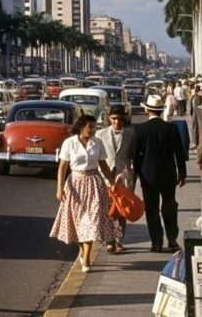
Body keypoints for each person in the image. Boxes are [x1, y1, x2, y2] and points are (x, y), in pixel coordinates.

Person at [50, 115, 118, 272]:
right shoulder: (69, 143)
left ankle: (86, 258)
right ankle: (82, 250)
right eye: (90, 127)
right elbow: (62, 167)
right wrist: (59, 188)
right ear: (81, 127)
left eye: (94, 127)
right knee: (79, 222)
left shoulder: (97, 142)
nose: (93, 130)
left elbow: (104, 165)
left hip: (94, 183)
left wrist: (112, 182)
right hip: (75, 184)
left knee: (92, 221)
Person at [131, 94, 187, 253]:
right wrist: (182, 174)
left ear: (147, 110)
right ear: (161, 110)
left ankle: (156, 242)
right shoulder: (171, 128)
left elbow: (135, 155)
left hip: (148, 176)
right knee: (169, 206)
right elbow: (179, 153)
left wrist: (138, 173)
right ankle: (172, 239)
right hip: (169, 174)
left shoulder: (140, 129)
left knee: (152, 209)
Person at [95, 104, 134, 252]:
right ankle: (109, 241)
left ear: (125, 119)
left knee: (121, 209)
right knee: (107, 209)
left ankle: (119, 241)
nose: (117, 122)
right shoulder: (100, 134)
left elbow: (134, 156)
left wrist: (129, 174)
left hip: (123, 176)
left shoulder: (131, 134)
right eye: (114, 119)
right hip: (105, 176)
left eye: (120, 119)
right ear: (109, 118)